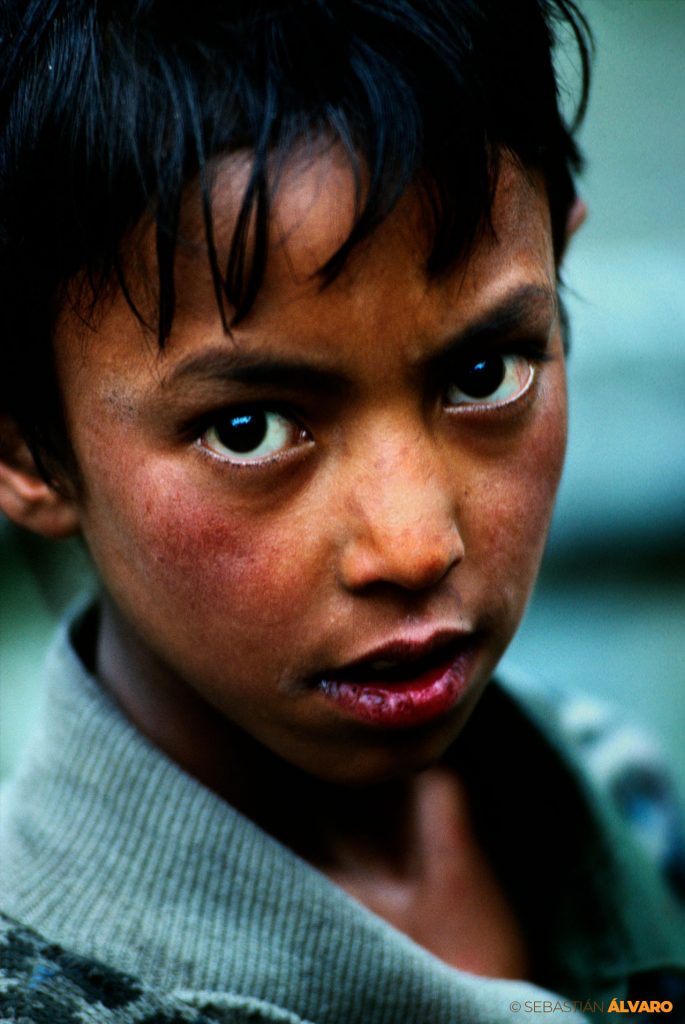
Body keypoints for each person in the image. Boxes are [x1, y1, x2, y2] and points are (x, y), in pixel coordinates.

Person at [0, 2, 683, 1021]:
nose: (413, 546)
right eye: (248, 430)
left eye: (485, 374)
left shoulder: (621, 791)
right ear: (26, 448)